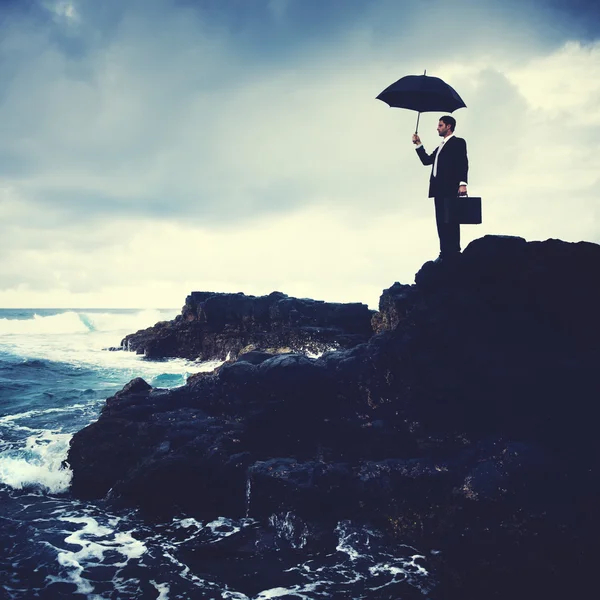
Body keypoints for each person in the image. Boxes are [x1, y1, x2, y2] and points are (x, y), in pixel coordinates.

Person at [412, 115, 468, 261]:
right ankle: (444, 253)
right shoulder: (440, 147)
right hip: (438, 189)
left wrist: (462, 183)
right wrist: (418, 144)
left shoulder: (458, 142)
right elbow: (427, 161)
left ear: (448, 126)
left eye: (440, 125)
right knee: (441, 221)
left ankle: (454, 251)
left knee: (452, 220)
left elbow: (463, 162)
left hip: (450, 187)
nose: (437, 128)